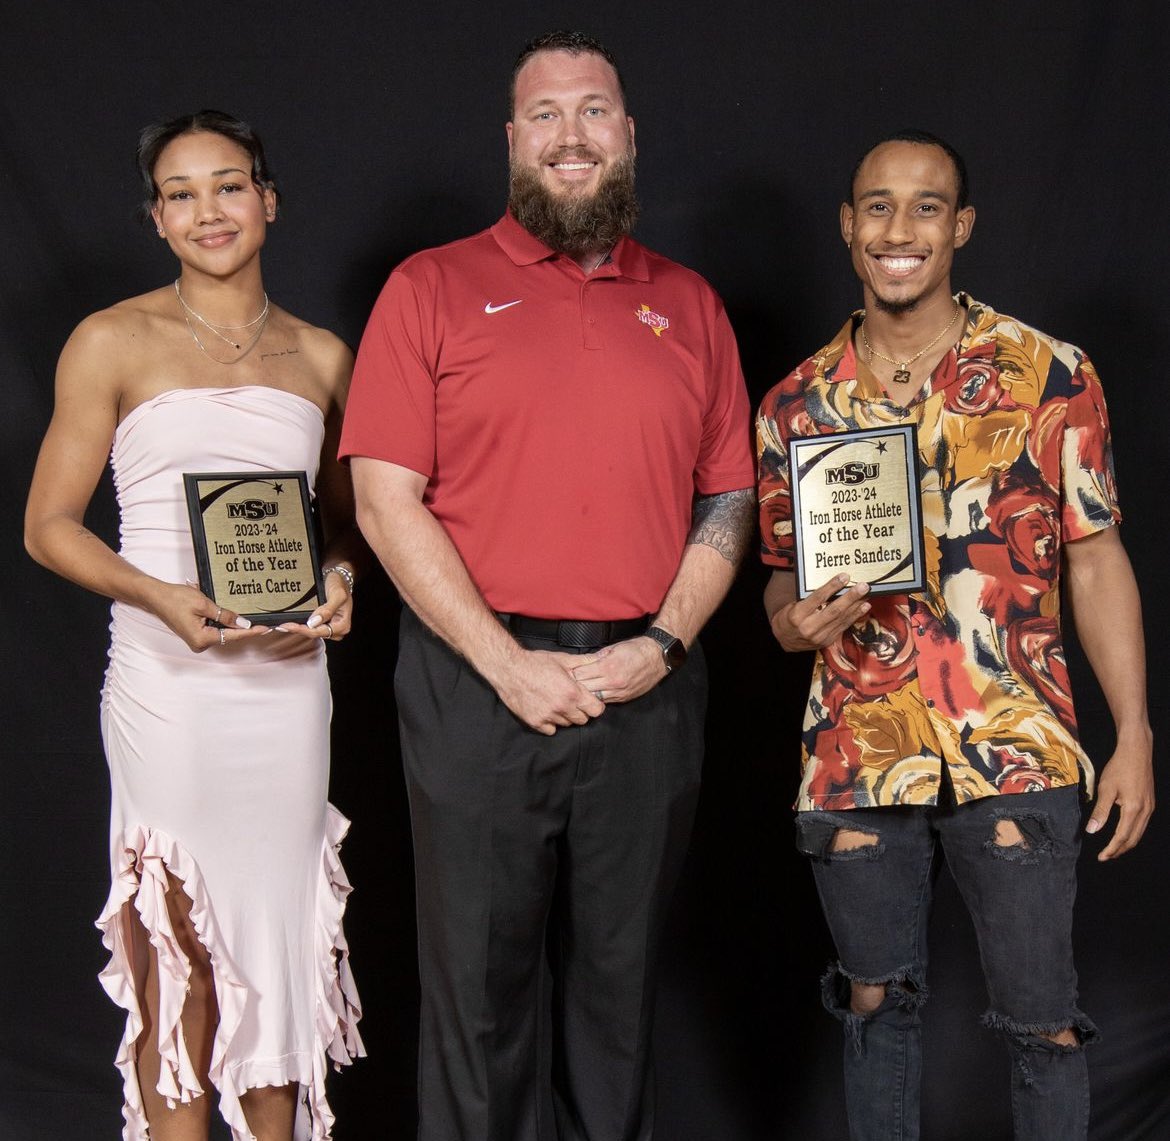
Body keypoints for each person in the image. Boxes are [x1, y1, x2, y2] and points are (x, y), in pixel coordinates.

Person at [339, 30, 755, 1141]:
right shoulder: (429, 287)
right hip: (473, 683)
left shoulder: (692, 304)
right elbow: (385, 499)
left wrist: (661, 646)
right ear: (513, 142)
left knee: (619, 992)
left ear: (628, 136)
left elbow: (730, 499)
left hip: (647, 686)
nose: (571, 134)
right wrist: (505, 663)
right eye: (546, 115)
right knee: (477, 995)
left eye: (593, 112)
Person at [756, 129, 1154, 1140]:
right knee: (875, 1010)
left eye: (926, 206)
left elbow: (1096, 556)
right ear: (848, 228)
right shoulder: (794, 405)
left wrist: (1136, 732)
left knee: (1042, 1024)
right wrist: (794, 622)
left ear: (962, 226)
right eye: (877, 206)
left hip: (1015, 743)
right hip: (857, 750)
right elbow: (774, 587)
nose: (900, 228)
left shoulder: (1049, 374)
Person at [24, 111, 365, 1141]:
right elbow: (47, 526)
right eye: (182, 193)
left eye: (228, 185)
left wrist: (342, 580)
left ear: (268, 200)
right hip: (167, 684)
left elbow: (344, 528)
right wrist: (157, 594)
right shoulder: (111, 339)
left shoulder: (322, 355)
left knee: (274, 941)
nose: (209, 209)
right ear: (158, 221)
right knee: (176, 942)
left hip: (286, 690)